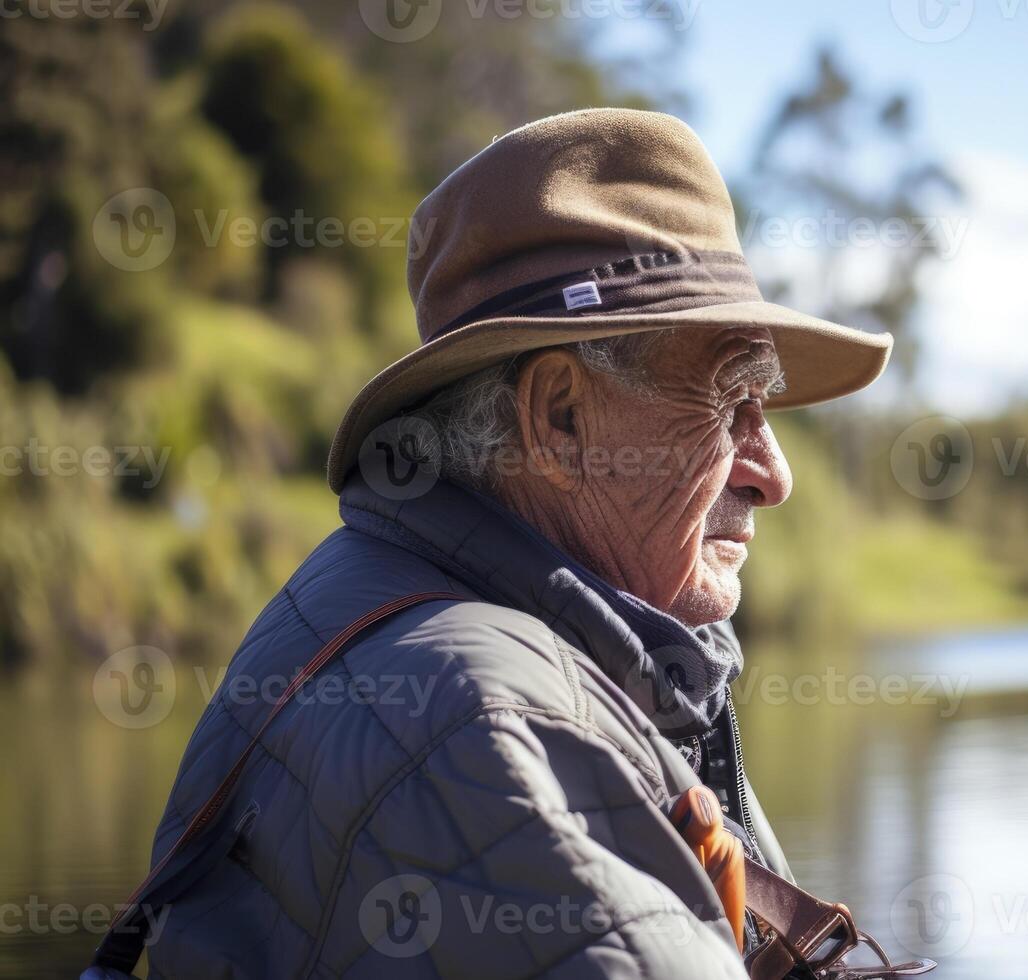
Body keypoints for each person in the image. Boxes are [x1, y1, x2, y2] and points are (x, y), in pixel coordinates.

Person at [129, 108, 890, 978]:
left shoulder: (396, 606)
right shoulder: (503, 728)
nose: (772, 473)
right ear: (560, 418)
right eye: (733, 402)